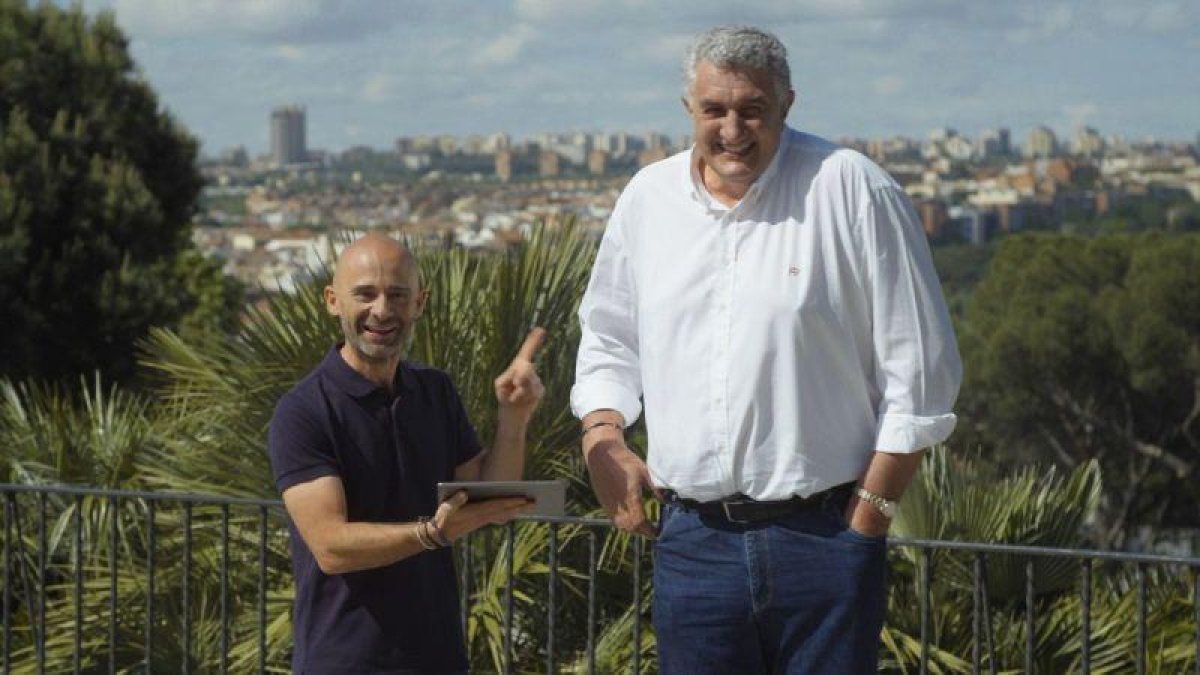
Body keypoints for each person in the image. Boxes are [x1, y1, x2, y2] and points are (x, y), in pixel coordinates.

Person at [572, 25, 962, 674]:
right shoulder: (648, 200)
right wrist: (603, 437)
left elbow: (922, 373)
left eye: (752, 109)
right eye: (714, 110)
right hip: (691, 542)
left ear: (787, 105)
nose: (732, 129)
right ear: (688, 111)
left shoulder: (853, 190)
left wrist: (870, 516)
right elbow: (608, 339)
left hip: (824, 534)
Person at [267, 233, 544, 674]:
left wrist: (514, 416)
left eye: (397, 295)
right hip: (344, 662)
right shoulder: (303, 411)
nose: (382, 310)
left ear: (420, 302)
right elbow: (331, 547)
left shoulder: (435, 391)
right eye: (365, 294)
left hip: (438, 659)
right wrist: (431, 533)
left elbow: (489, 497)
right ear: (332, 301)